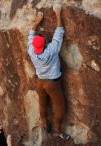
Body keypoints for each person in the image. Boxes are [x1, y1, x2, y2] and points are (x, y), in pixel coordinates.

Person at [28, 4, 69, 139]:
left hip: (40, 82)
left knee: (42, 103)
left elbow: (31, 35)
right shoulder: (51, 51)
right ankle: (57, 129)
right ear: (45, 44)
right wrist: (58, 13)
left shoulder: (31, 51)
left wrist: (37, 21)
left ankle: (45, 123)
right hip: (52, 84)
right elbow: (59, 33)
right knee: (60, 108)